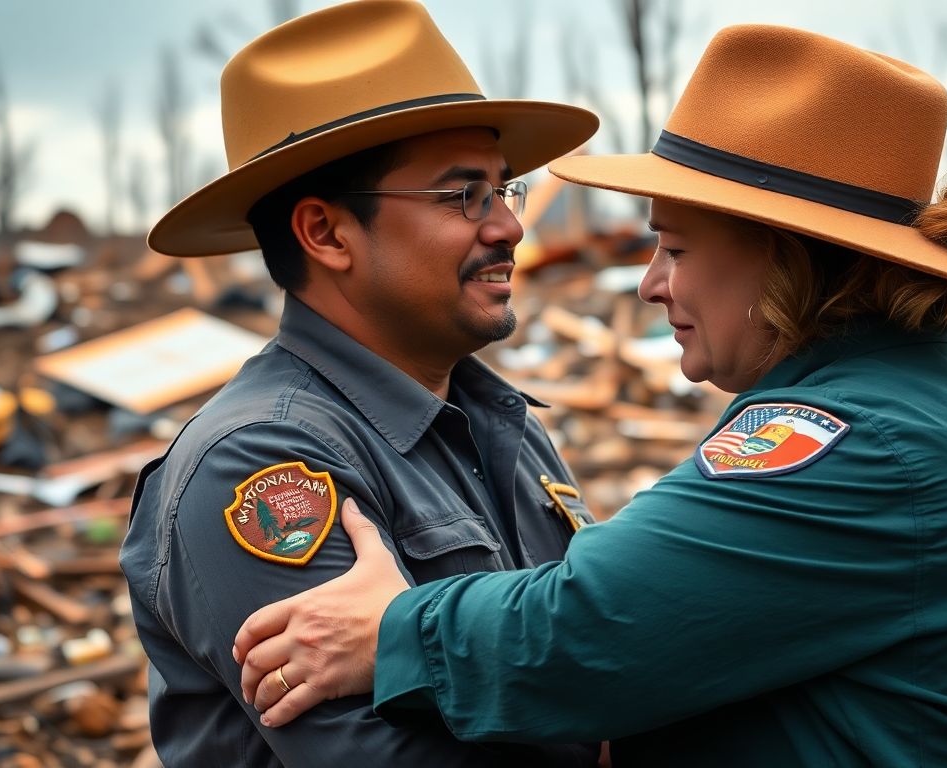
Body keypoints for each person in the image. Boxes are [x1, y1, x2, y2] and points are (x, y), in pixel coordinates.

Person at [231, 23, 947, 767]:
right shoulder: (900, 404)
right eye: (463, 195)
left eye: (674, 247)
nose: (649, 284)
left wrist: (391, 633)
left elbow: (589, 631)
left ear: (785, 258)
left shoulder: (856, 435)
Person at [118, 1, 602, 766]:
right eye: (460, 195)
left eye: (503, 190)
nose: (510, 227)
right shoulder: (262, 462)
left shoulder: (498, 422)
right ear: (327, 233)